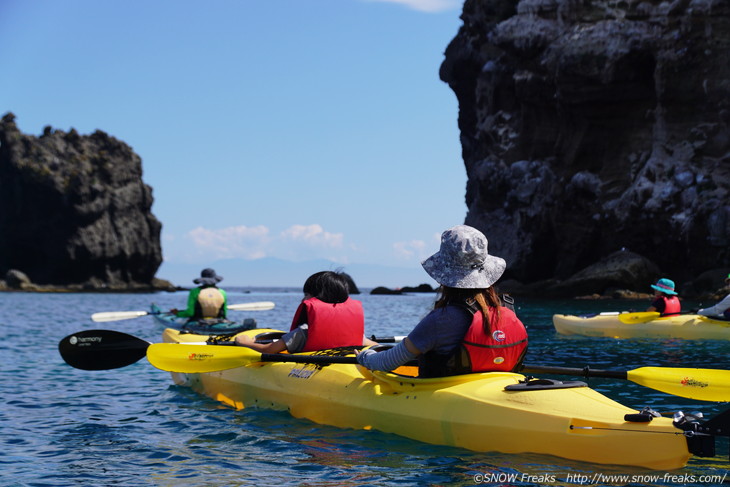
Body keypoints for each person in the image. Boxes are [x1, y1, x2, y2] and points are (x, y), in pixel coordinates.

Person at [357, 225, 528, 378]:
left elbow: (389, 361)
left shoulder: (441, 319)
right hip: (499, 388)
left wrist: (363, 357)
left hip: (449, 399)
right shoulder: (505, 309)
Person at [235, 271, 377, 353]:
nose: (303, 298)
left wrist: (245, 343)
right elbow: (374, 345)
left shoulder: (303, 332)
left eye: (306, 294)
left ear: (316, 298)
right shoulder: (354, 332)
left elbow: (268, 350)